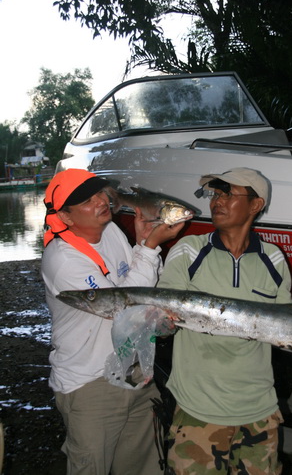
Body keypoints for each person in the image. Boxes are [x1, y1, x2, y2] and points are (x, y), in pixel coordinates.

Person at [158, 167, 292, 475]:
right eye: (215, 194)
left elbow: (286, 319)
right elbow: (160, 313)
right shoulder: (188, 250)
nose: (216, 202)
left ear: (255, 205)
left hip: (259, 410)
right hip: (199, 410)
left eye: (228, 194)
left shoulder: (273, 258)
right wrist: (159, 323)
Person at [41, 168, 185, 475]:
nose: (100, 202)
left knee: (145, 466)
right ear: (66, 217)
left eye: (99, 194)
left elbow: (136, 283)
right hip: (90, 384)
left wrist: (144, 241)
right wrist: (149, 247)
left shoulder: (110, 232)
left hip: (134, 372)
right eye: (87, 201)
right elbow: (123, 308)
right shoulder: (63, 260)